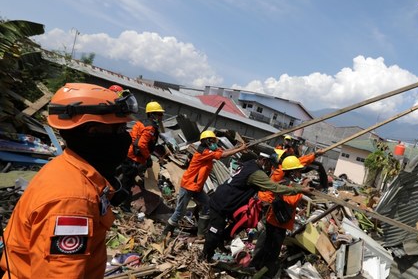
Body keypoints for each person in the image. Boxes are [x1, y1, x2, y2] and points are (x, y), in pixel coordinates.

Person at [0, 83, 137, 279]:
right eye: (120, 128)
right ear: (93, 132)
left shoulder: (67, 166)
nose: (126, 137)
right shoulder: (73, 201)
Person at [202, 152, 313, 262]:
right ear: (264, 161)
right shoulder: (257, 173)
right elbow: (275, 188)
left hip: (230, 202)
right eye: (270, 165)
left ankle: (222, 240)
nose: (272, 168)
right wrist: (301, 189)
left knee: (244, 221)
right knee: (215, 231)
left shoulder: (251, 164)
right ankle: (206, 256)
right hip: (222, 203)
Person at [162, 130, 246, 238]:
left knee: (207, 205)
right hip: (188, 185)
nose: (215, 143)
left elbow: (222, 151)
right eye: (213, 140)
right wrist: (240, 149)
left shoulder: (209, 150)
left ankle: (201, 234)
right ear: (207, 141)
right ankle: (166, 232)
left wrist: (238, 147)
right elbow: (223, 155)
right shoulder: (204, 152)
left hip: (197, 187)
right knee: (180, 211)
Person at [249, 156, 309, 277]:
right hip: (277, 223)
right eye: (298, 170)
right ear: (291, 172)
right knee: (272, 251)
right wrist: (303, 188)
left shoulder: (288, 183)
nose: (299, 173)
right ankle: (264, 273)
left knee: (267, 247)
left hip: (276, 221)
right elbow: (291, 201)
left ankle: (255, 267)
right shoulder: (286, 184)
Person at [119, 100, 165, 212]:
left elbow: (133, 137)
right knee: (128, 182)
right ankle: (123, 204)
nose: (161, 116)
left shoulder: (140, 123)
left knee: (124, 178)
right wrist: (148, 157)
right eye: (159, 114)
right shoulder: (150, 128)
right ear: (152, 114)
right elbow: (141, 144)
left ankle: (120, 200)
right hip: (135, 158)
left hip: (129, 154)